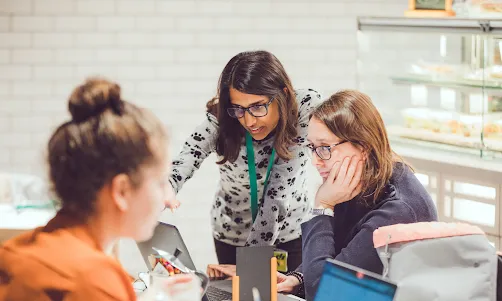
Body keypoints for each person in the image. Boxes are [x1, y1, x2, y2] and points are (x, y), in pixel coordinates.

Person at [0, 78, 199, 301]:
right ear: (122, 191)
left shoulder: (17, 251)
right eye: (160, 182)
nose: (166, 196)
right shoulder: (91, 279)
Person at [165, 50, 322, 271]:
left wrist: (249, 268)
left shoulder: (304, 107)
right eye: (239, 108)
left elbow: (279, 189)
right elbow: (191, 152)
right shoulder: (223, 119)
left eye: (258, 107)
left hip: (291, 232)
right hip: (233, 233)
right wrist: (168, 186)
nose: (249, 121)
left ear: (283, 95)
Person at [276, 90, 438, 300]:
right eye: (312, 148)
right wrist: (299, 277)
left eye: (325, 148)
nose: (316, 161)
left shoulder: (398, 211)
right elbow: (340, 256)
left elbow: (324, 293)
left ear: (363, 146)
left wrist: (322, 207)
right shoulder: (358, 179)